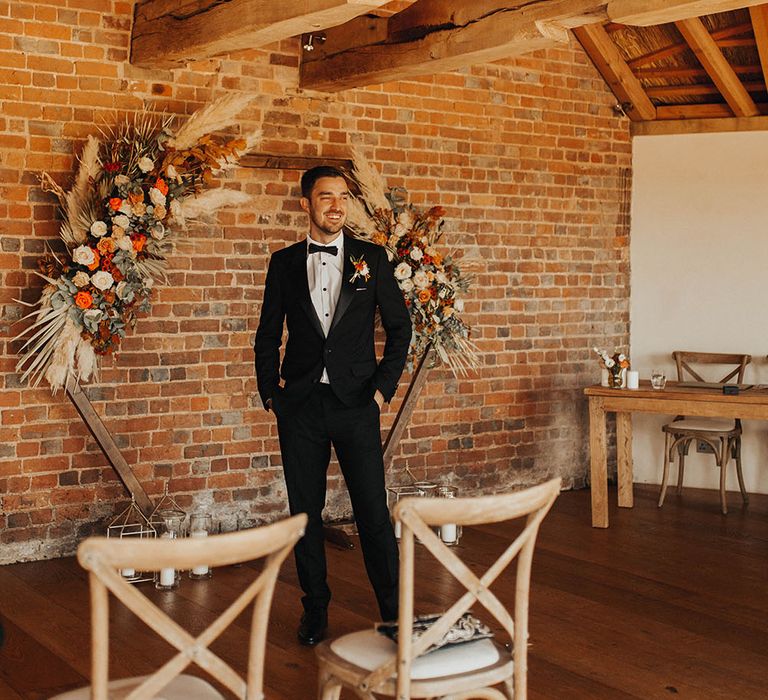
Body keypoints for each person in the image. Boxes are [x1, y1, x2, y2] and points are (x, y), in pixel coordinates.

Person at [254, 165, 411, 646]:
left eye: (343, 197)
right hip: (300, 406)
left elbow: (400, 329)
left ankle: (395, 615)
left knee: (373, 514)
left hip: (356, 404)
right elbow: (267, 336)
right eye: (326, 197)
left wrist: (382, 390)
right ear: (307, 204)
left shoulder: (372, 259)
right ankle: (315, 610)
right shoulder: (282, 263)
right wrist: (270, 395)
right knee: (306, 515)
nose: (336, 206)